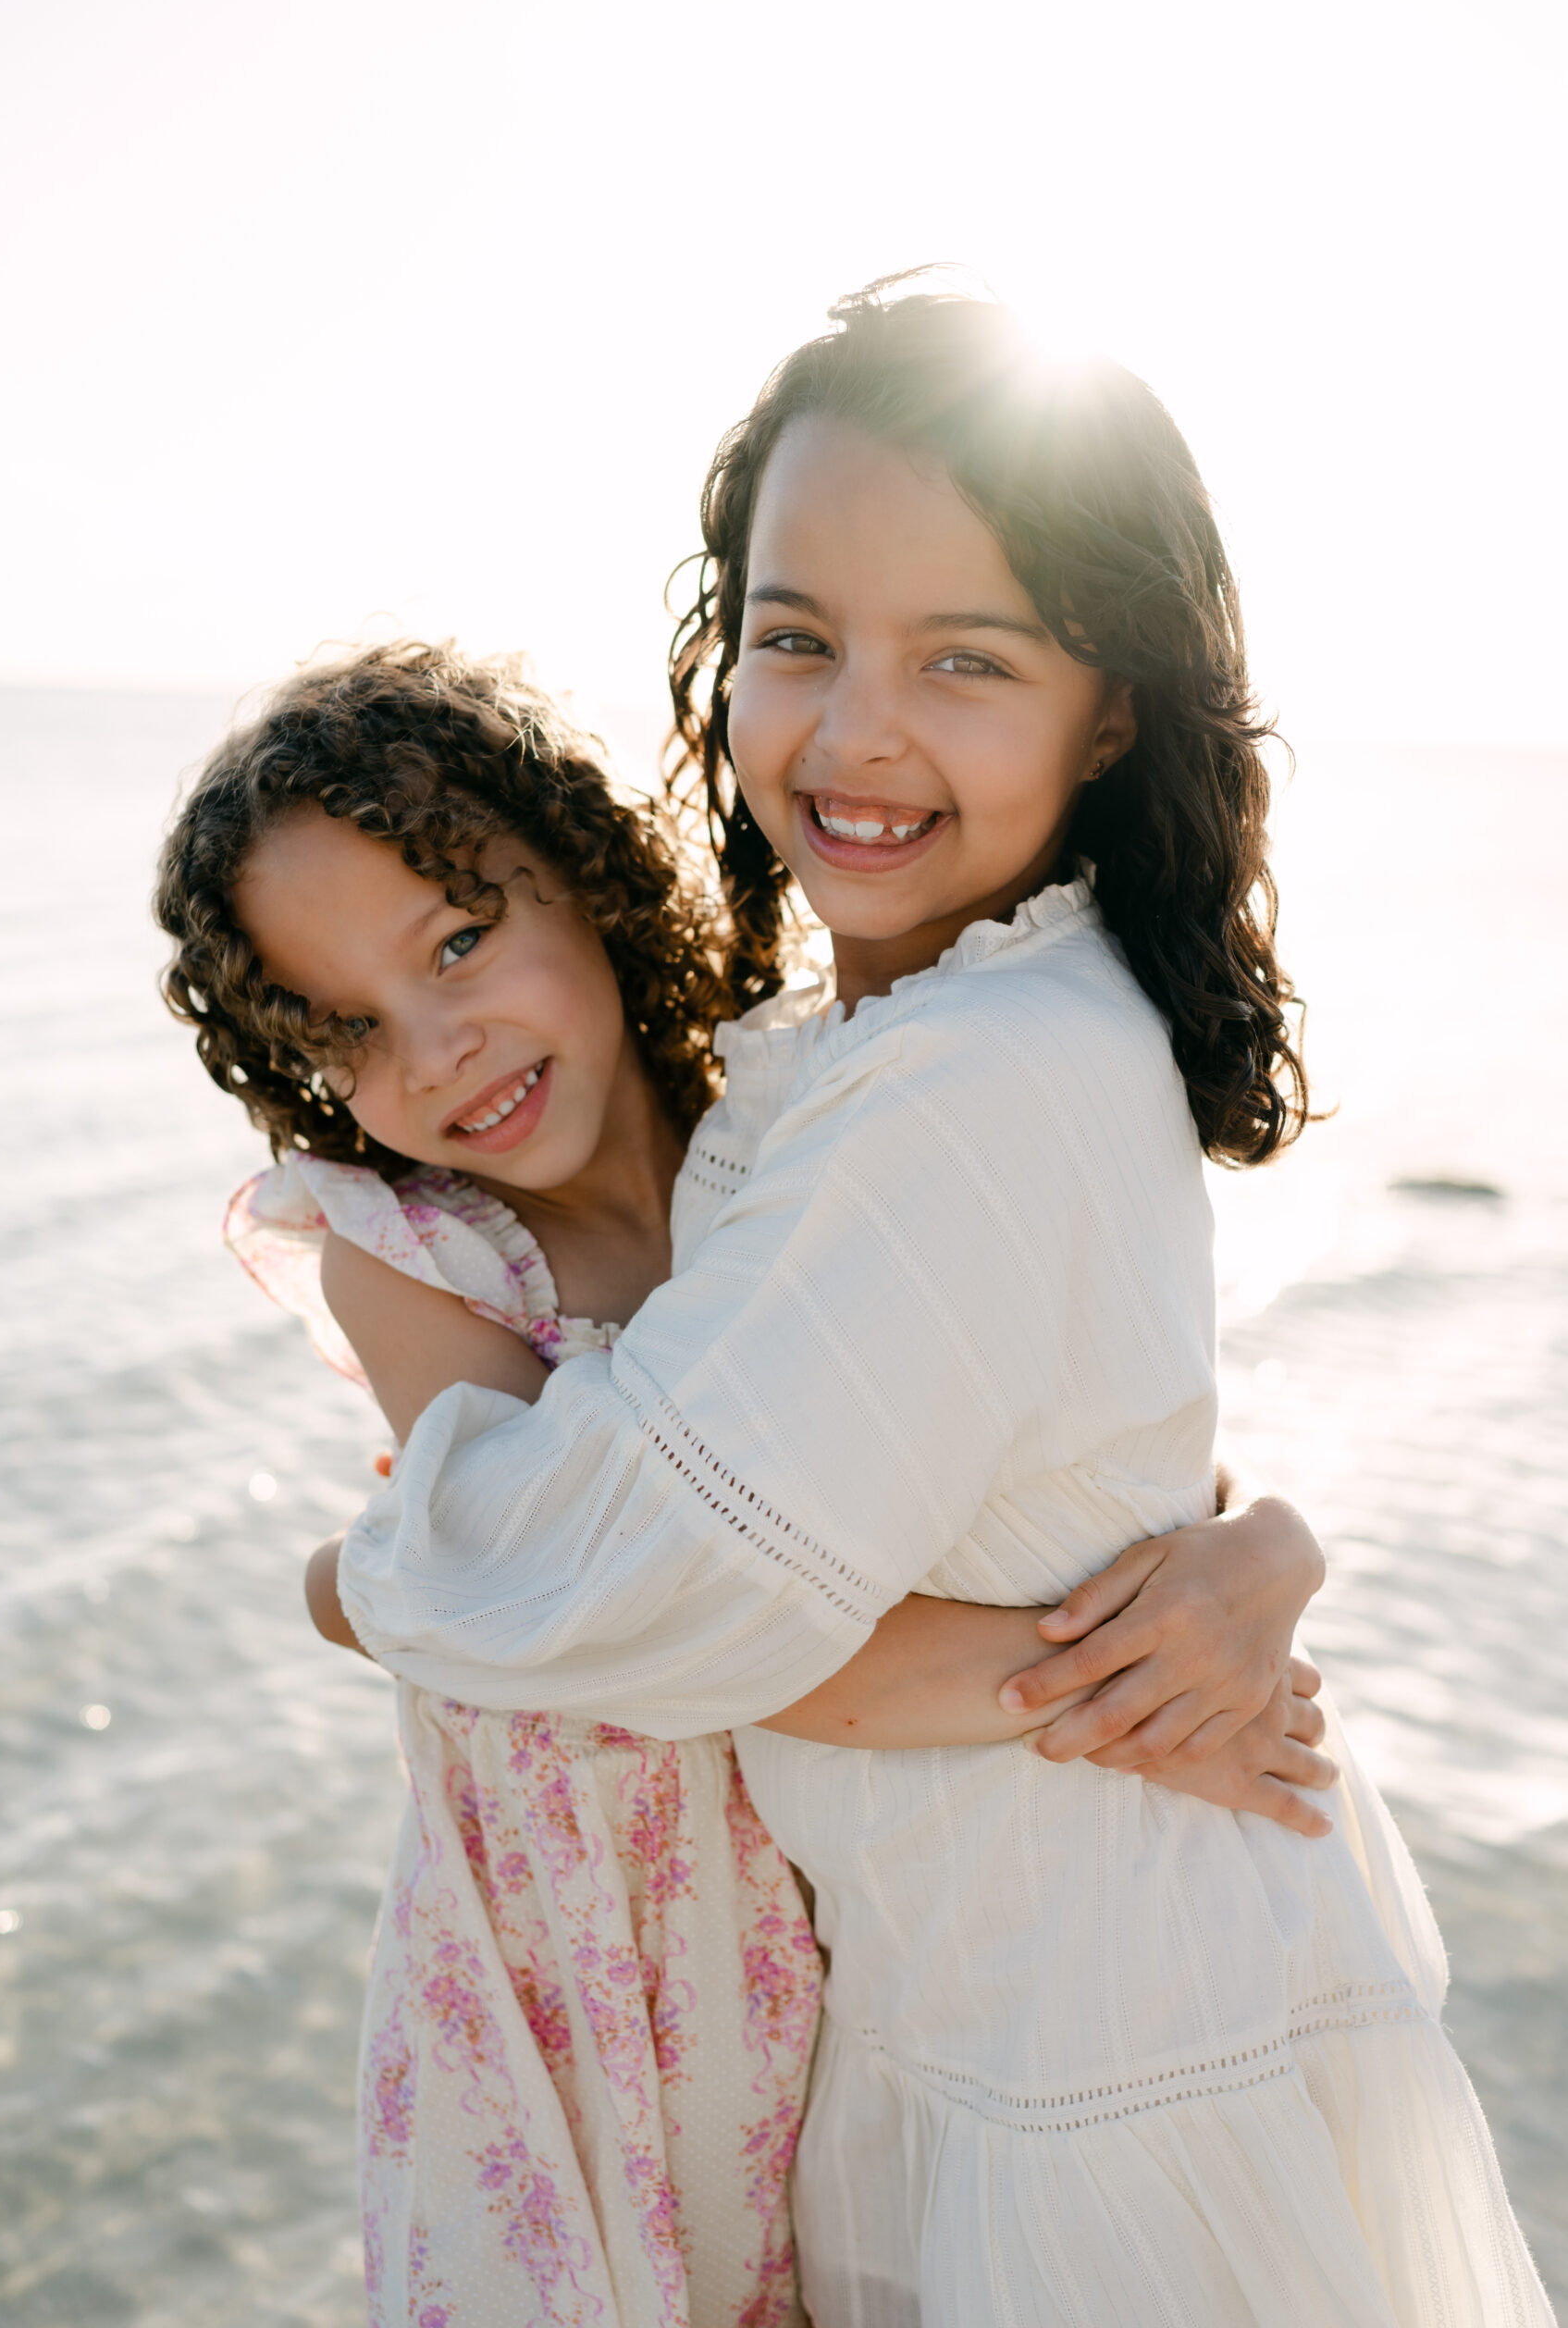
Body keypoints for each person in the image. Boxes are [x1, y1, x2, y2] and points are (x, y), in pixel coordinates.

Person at [319, 291, 1553, 2325]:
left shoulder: (984, 1073)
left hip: (1088, 2067)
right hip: (995, 2005)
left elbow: (675, 1594)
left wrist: (368, 1565)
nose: (853, 729)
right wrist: (1262, 1537)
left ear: (1114, 702)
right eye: (796, 636)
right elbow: (1040, 1453)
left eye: (964, 660)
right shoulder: (898, 1041)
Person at [154, 642, 1331, 2328]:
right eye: (348, 1027)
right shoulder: (413, 1262)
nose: (437, 1051)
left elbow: (1060, 1457)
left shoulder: (801, 1131)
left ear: (587, 876)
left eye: (463, 941)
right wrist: (1124, 1682)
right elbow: (603, 1615)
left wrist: (1264, 1549)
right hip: (587, 1973)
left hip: (850, 1922)